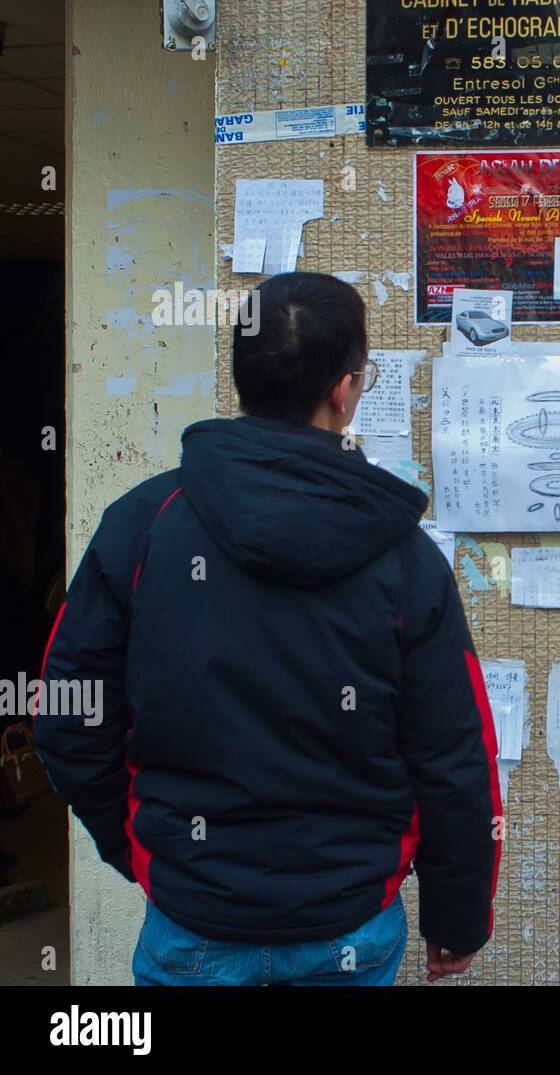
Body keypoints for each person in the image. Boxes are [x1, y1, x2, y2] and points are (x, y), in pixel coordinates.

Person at [34, 272, 500, 986]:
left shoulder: (143, 526)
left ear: (243, 377)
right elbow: (455, 758)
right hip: (348, 928)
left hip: (192, 925)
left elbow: (66, 715)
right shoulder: (407, 561)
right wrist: (458, 915)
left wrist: (145, 850)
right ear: (343, 391)